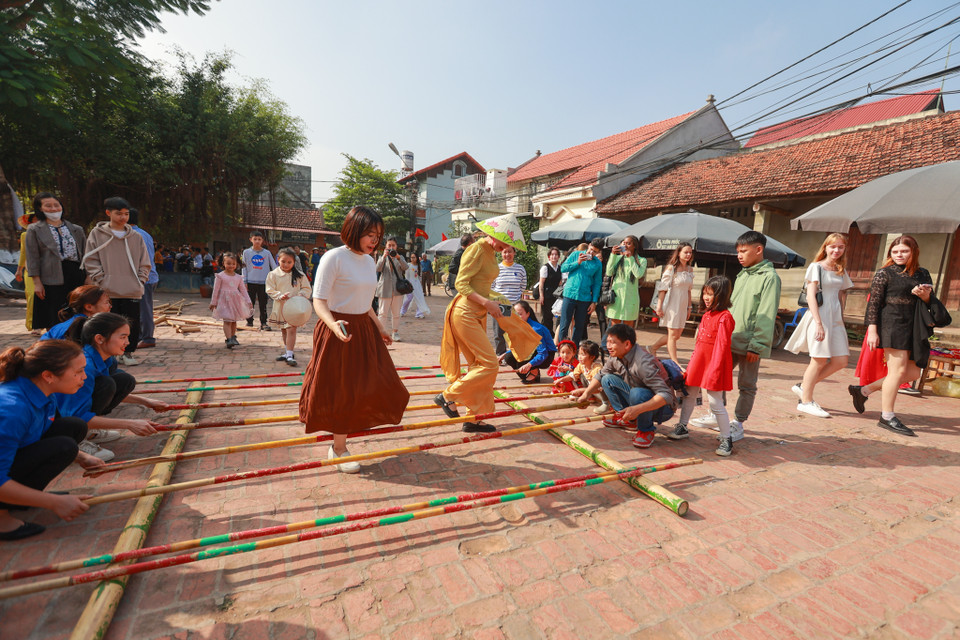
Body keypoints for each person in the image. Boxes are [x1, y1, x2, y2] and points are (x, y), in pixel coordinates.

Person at [299, 206, 409, 473]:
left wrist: (379, 325)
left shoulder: (370, 261)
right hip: (339, 328)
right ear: (354, 229)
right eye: (369, 234)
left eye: (378, 235)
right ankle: (338, 448)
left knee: (376, 383)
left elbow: (365, 302)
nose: (374, 240)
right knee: (342, 390)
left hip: (363, 328)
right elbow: (319, 300)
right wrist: (333, 325)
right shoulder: (333, 258)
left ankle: (340, 443)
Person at [437, 213, 539, 433]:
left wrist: (496, 301)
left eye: (510, 244)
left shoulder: (490, 252)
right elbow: (461, 284)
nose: (507, 247)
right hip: (464, 313)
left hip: (477, 313)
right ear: (495, 235)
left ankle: (474, 419)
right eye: (506, 241)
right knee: (489, 364)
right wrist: (488, 302)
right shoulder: (476, 249)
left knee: (479, 367)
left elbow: (481, 285)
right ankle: (447, 396)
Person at [0, 341, 104, 540]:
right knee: (64, 445)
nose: (84, 376)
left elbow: (41, 434)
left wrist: (81, 457)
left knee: (73, 428)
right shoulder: (11, 409)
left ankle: (21, 498)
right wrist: (53, 502)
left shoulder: (43, 391)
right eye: (79, 372)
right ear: (48, 376)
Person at [691, 232, 780, 442]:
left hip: (750, 343)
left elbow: (766, 314)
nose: (739, 255)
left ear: (758, 250)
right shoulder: (742, 274)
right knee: (715, 379)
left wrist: (757, 345)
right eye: (737, 251)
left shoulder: (770, 278)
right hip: (728, 340)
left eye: (743, 251)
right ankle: (716, 415)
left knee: (747, 385)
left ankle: (738, 423)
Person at [849, 235, 933, 437]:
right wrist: (872, 329)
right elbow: (873, 304)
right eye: (895, 252)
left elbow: (931, 301)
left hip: (914, 327)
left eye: (904, 251)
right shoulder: (884, 274)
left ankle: (863, 391)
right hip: (892, 325)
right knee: (898, 370)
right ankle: (887, 417)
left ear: (913, 252)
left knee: (912, 373)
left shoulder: (923, 274)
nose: (899, 255)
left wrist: (925, 295)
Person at [56, 313, 168, 460]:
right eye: (122, 337)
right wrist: (129, 424)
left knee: (123, 380)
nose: (127, 342)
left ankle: (88, 431)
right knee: (107, 384)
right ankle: (74, 439)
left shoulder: (107, 359)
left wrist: (147, 402)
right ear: (99, 339)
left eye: (127, 337)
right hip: (56, 418)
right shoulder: (84, 367)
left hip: (72, 412)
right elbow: (76, 414)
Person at [571, 323, 676, 449]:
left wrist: (636, 409)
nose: (608, 346)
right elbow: (601, 375)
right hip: (636, 396)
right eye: (608, 341)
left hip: (663, 409)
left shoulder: (643, 362)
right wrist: (586, 394)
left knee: (638, 393)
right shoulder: (615, 356)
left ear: (627, 344)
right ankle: (629, 420)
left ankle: (646, 430)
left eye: (612, 342)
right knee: (607, 379)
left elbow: (666, 395)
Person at [785, 233, 854, 418]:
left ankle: (803, 387)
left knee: (841, 361)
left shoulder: (841, 269)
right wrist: (819, 323)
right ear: (826, 247)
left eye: (840, 247)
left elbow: (840, 295)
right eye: (833, 246)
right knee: (819, 360)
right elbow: (810, 296)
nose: (836, 250)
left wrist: (841, 319)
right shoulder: (817, 267)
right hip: (819, 316)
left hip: (836, 319)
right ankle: (806, 401)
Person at [667, 276, 736, 456]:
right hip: (699, 362)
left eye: (710, 294)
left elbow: (721, 347)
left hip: (715, 365)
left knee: (715, 402)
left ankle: (726, 438)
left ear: (721, 295)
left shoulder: (725, 317)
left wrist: (715, 370)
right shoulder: (707, 315)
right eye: (705, 293)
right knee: (689, 393)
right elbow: (699, 344)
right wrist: (692, 364)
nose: (706, 297)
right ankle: (682, 426)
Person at [81, 197, 152, 367]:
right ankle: (107, 354)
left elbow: (145, 261)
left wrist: (140, 280)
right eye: (118, 213)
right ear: (108, 213)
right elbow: (91, 259)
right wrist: (101, 279)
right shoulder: (97, 234)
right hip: (107, 289)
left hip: (131, 288)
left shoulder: (136, 236)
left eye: (126, 214)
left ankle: (127, 353)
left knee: (131, 322)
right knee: (107, 322)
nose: (123, 217)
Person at [24, 193, 87, 331]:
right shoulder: (34, 230)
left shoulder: (76, 229)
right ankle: (56, 343)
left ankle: (75, 342)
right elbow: (32, 257)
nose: (53, 208)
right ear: (40, 209)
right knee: (54, 313)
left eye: (56, 205)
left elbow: (85, 254)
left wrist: (88, 276)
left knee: (76, 311)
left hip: (75, 274)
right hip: (50, 277)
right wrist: (37, 282)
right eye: (48, 206)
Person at [265, 247, 313, 367]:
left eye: (289, 262)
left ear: (294, 262)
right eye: (283, 261)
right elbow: (269, 289)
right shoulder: (273, 274)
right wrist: (280, 295)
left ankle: (290, 354)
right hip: (280, 306)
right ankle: (288, 351)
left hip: (295, 308)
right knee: (284, 329)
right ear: (278, 260)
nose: (286, 264)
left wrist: (301, 294)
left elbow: (307, 288)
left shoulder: (300, 275)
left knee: (291, 329)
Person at [649, 242, 695, 365]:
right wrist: (659, 306)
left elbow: (689, 290)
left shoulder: (690, 270)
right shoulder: (671, 268)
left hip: (683, 304)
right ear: (679, 253)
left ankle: (653, 347)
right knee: (673, 335)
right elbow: (663, 288)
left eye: (690, 252)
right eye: (685, 252)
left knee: (676, 335)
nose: (688, 254)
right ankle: (675, 361)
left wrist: (689, 307)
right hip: (672, 304)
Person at [558, 239, 603, 346]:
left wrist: (594, 302)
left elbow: (597, 283)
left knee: (579, 326)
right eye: (591, 249)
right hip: (569, 295)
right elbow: (563, 268)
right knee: (564, 324)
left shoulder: (597, 264)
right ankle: (562, 350)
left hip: (585, 298)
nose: (591, 253)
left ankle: (574, 350)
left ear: (598, 252)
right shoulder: (576, 254)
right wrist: (577, 262)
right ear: (589, 245)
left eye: (595, 252)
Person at [500, 300, 556, 384]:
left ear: (528, 314)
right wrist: (503, 355)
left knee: (522, 358)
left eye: (520, 314)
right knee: (509, 357)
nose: (517, 317)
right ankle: (532, 373)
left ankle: (534, 371)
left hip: (546, 355)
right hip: (531, 351)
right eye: (515, 314)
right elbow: (518, 346)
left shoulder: (536, 329)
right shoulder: (518, 326)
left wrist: (529, 364)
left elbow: (543, 353)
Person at [128, 208, 159, 350]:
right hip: (147, 277)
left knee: (144, 309)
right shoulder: (144, 234)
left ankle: (147, 337)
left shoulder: (134, 235)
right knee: (141, 308)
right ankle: (141, 335)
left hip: (143, 278)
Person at [210, 252, 252, 349]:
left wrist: (248, 301)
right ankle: (228, 339)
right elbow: (215, 290)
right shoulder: (220, 276)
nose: (231, 266)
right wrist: (213, 302)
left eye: (233, 264)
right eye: (228, 263)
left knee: (233, 320)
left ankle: (233, 337)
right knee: (227, 320)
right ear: (223, 263)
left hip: (235, 302)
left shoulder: (238, 277)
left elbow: (243, 290)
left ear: (237, 264)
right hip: (224, 302)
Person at [490, 244, 527, 355]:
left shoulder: (520, 269)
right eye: (505, 252)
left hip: (514, 305)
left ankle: (515, 355)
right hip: (499, 305)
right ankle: (500, 355)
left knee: (514, 332)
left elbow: (523, 286)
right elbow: (491, 287)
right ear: (501, 253)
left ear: (514, 253)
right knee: (498, 333)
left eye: (510, 252)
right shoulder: (496, 269)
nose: (507, 255)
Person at [41, 285, 111, 342]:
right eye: (106, 302)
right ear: (89, 307)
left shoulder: (62, 326)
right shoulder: (87, 328)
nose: (110, 306)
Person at [605, 235, 647, 328]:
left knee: (628, 327)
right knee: (614, 326)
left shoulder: (641, 260)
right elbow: (609, 272)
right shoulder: (618, 258)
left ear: (634, 246)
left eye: (628, 243)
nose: (626, 245)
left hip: (630, 298)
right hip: (617, 296)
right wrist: (613, 255)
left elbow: (638, 274)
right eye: (624, 243)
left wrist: (630, 258)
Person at [556, 340, 607, 412]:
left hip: (602, 393)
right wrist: (560, 380)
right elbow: (572, 376)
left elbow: (598, 388)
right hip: (592, 391)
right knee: (579, 376)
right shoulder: (581, 365)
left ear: (592, 357)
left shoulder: (597, 368)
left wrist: (581, 390)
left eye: (582, 354)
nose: (579, 357)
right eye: (579, 354)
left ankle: (606, 403)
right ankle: (591, 396)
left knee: (595, 385)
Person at [375, 237, 409, 342]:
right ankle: (381, 332)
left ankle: (395, 332)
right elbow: (378, 268)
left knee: (396, 313)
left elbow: (405, 267)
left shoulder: (400, 257)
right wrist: (384, 257)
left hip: (397, 289)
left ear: (396, 246)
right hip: (384, 288)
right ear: (385, 246)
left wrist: (398, 258)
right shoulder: (382, 257)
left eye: (393, 245)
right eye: (389, 245)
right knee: (382, 313)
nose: (391, 247)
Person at [243, 231, 278, 331]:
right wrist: (244, 281)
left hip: (264, 282)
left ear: (262, 240)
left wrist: (276, 279)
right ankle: (249, 322)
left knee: (263, 303)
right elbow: (243, 268)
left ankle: (263, 322)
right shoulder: (246, 252)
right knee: (250, 303)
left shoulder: (266, 253)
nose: (257, 241)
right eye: (255, 239)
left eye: (259, 239)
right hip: (250, 282)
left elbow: (274, 266)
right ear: (251, 240)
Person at [15, 212, 39, 335]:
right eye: (34, 219)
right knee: (31, 296)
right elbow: (23, 253)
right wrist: (19, 269)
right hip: (30, 270)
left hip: (46, 269)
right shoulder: (25, 234)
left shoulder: (48, 233)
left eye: (38, 219)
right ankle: (33, 324)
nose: (36, 221)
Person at [538, 246, 563, 333]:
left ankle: (543, 333)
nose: (554, 256)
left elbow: (560, 283)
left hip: (555, 295)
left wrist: (559, 295)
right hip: (546, 295)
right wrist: (541, 296)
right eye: (552, 254)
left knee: (552, 315)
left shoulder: (560, 268)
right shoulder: (545, 268)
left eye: (556, 254)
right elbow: (541, 283)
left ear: (559, 257)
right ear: (549, 256)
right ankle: (548, 334)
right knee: (547, 316)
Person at [400, 254, 430, 319]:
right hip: (409, 284)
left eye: (414, 257)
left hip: (417, 284)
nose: (412, 259)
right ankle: (402, 311)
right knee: (408, 299)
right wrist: (407, 284)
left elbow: (420, 276)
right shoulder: (408, 265)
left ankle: (419, 313)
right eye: (411, 257)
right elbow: (406, 276)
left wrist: (420, 284)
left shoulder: (419, 266)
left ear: (416, 258)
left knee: (419, 298)